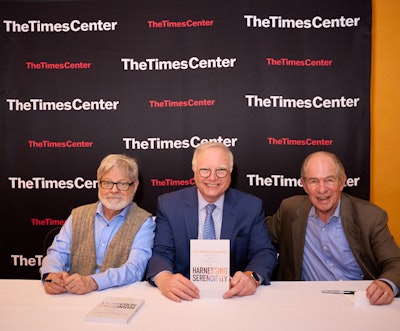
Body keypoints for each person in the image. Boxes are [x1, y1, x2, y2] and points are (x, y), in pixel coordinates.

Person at [146, 142, 277, 302]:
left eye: (221, 170)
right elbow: (161, 252)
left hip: (233, 297)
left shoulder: (250, 206)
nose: (213, 177)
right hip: (184, 296)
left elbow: (264, 252)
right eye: (205, 170)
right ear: (194, 171)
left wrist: (252, 277)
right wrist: (164, 279)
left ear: (230, 172)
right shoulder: (169, 204)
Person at [266, 151, 400, 305]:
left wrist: (387, 284)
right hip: (306, 302)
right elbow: (258, 234)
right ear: (304, 185)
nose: (322, 189)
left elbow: (396, 262)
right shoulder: (290, 210)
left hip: (358, 301)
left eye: (329, 180)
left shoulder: (369, 216)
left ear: (342, 182)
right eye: (314, 181)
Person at [40, 154, 155, 295]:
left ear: (135, 186)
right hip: (72, 298)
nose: (114, 190)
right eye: (107, 183)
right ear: (99, 184)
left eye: (122, 184)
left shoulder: (144, 222)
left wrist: (94, 282)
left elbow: (135, 269)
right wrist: (51, 275)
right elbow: (57, 253)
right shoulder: (77, 215)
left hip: (119, 298)